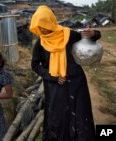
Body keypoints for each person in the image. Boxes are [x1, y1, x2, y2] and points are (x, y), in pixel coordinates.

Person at [29, 5, 101, 141]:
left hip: (76, 81)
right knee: (59, 116)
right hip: (55, 86)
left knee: (80, 112)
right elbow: (35, 65)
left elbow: (88, 38)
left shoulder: (68, 34)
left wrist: (94, 34)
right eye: (39, 26)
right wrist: (52, 76)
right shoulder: (40, 43)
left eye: (44, 25)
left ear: (51, 21)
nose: (42, 29)